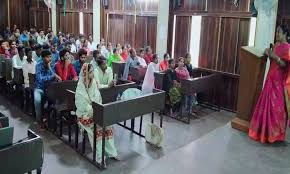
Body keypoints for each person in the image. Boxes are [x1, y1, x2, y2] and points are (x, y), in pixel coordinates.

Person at [249, 25, 290, 143]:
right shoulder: (276, 45)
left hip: (279, 82)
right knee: (266, 107)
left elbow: (284, 65)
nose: (277, 34)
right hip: (270, 79)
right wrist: (268, 53)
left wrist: (274, 56)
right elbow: (273, 60)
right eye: (276, 32)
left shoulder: (287, 47)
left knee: (276, 108)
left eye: (279, 32)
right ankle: (264, 133)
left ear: (285, 34)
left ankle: (275, 135)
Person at [75, 63, 118, 165]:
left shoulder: (93, 82)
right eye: (90, 72)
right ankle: (100, 157)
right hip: (84, 115)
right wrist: (92, 109)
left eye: (92, 71)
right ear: (85, 73)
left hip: (95, 111)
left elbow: (98, 97)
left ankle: (111, 152)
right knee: (97, 127)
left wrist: (97, 108)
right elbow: (80, 103)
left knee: (107, 125)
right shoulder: (80, 86)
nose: (92, 74)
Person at [34, 50, 62, 128]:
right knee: (37, 100)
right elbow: (40, 79)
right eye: (47, 57)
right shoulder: (38, 65)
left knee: (56, 99)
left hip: (49, 89)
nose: (49, 59)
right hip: (39, 88)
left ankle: (50, 119)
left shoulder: (52, 66)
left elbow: (55, 78)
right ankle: (39, 120)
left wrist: (50, 68)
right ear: (43, 58)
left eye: (50, 57)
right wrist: (51, 77)